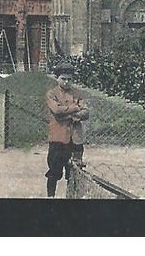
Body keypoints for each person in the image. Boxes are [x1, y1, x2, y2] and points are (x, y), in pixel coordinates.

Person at [45, 62, 89, 197]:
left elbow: (86, 113)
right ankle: (50, 197)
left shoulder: (77, 93)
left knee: (75, 173)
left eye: (69, 79)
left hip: (75, 139)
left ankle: (71, 198)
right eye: (63, 78)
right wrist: (76, 108)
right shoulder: (52, 94)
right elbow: (57, 110)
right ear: (57, 78)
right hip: (58, 138)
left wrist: (67, 113)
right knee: (54, 172)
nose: (66, 82)